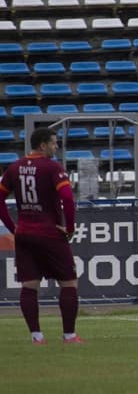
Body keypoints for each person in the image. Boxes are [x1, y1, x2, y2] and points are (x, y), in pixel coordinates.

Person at [1, 126, 83, 344]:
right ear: (43, 144)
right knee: (68, 282)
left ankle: (37, 337)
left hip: (25, 233)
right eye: (54, 143)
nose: (56, 147)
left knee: (29, 285)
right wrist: (70, 227)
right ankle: (69, 335)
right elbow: (67, 198)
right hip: (49, 232)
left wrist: (13, 227)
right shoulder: (52, 168)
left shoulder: (14, 168)